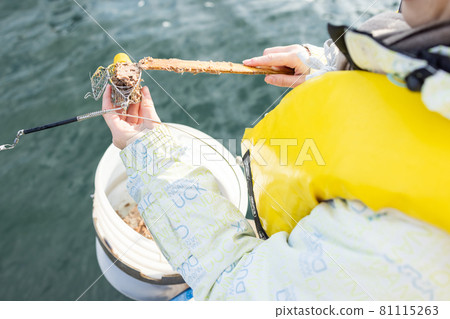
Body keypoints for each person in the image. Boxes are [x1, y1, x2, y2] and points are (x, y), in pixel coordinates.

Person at [102, 0, 450, 300]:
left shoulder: (413, 249)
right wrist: (328, 67)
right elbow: (416, 67)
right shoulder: (430, 22)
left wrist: (146, 149)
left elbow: (234, 286)